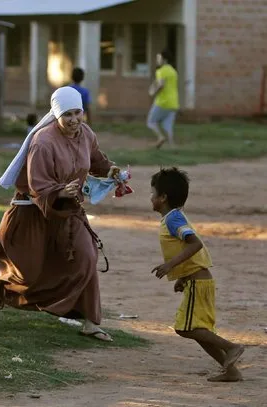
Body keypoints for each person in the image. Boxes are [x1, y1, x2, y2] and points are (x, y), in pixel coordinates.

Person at [0, 86, 122, 342]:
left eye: (78, 113)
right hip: (34, 212)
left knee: (86, 256)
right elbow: (36, 186)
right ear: (57, 115)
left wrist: (111, 171)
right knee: (27, 273)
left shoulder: (86, 134)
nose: (74, 120)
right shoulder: (43, 142)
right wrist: (61, 191)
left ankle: (89, 321)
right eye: (68, 115)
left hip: (69, 211)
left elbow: (95, 160)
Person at [150, 167, 245, 382]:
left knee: (185, 329)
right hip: (196, 282)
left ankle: (232, 347)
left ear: (163, 197)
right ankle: (231, 371)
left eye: (153, 194)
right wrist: (182, 277)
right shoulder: (172, 218)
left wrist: (169, 266)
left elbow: (195, 244)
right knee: (198, 330)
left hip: (199, 283)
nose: (151, 198)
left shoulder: (174, 220)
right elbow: (188, 250)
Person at [147, 50, 179, 149]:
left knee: (151, 122)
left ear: (164, 59)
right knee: (167, 125)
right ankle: (171, 145)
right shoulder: (173, 71)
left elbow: (161, 85)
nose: (157, 60)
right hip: (174, 102)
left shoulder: (161, 71)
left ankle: (160, 137)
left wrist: (152, 92)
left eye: (159, 58)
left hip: (162, 102)